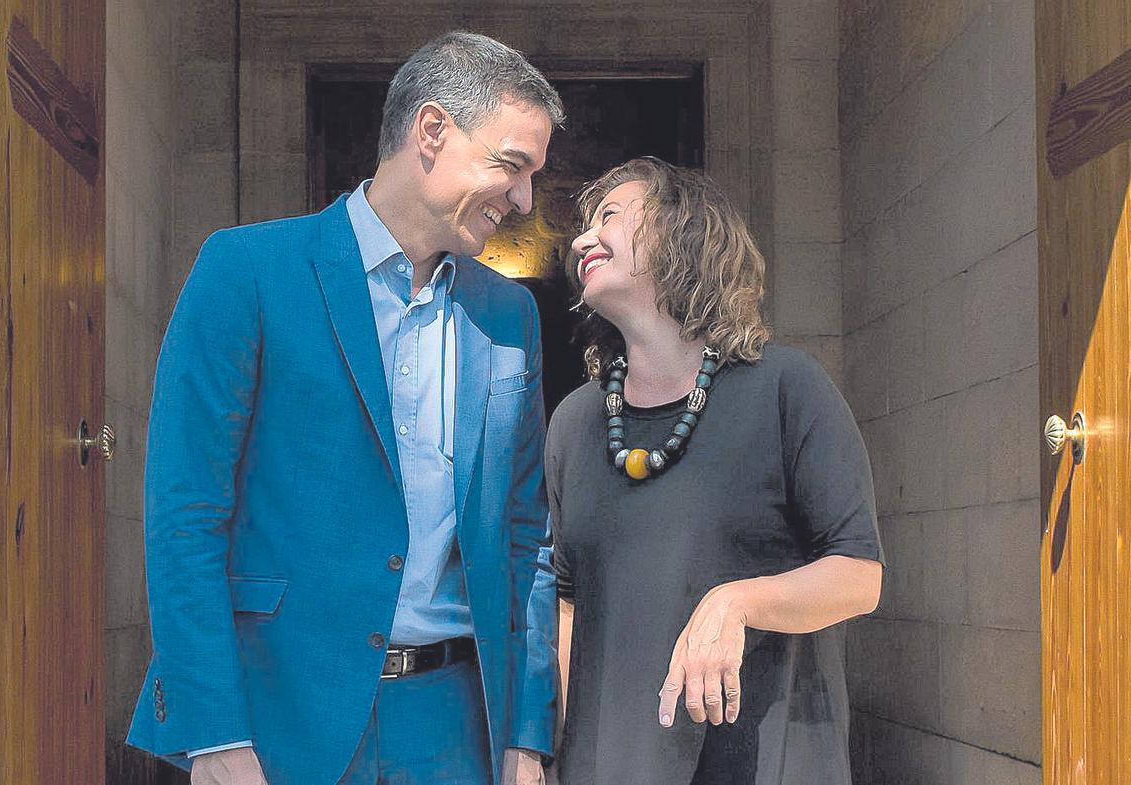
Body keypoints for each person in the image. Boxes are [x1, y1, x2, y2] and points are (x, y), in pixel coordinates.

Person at [126, 32, 563, 785]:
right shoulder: (246, 271)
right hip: (279, 717)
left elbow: (528, 538)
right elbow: (185, 514)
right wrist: (214, 733)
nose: (524, 199)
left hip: (457, 728)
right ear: (432, 131)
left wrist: (527, 736)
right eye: (512, 165)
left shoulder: (509, 315)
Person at [548, 158, 885, 785]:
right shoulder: (574, 423)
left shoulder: (787, 388)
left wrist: (739, 601)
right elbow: (567, 609)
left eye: (610, 216)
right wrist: (550, 755)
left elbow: (860, 577)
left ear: (681, 234)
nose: (582, 240)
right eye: (585, 226)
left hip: (765, 763)